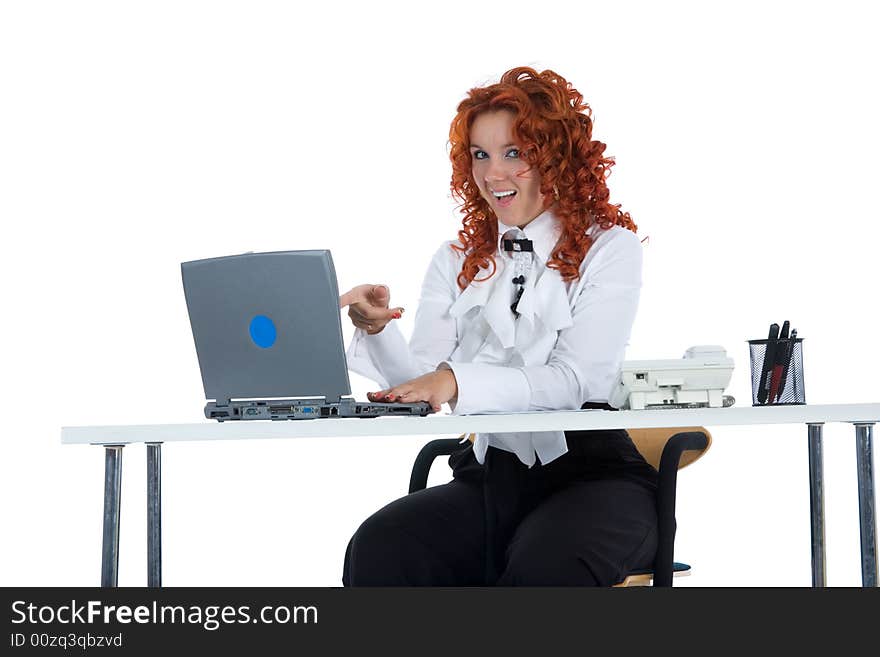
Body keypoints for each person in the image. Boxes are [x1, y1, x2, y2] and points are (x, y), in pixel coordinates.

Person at [338, 66, 658, 586]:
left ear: (554, 157)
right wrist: (378, 331)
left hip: (595, 479)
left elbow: (580, 381)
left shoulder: (610, 248)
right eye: (481, 155)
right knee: (381, 547)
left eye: (514, 153)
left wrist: (457, 381)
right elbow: (424, 381)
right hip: (490, 477)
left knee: (545, 568)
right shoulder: (457, 257)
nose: (493, 174)